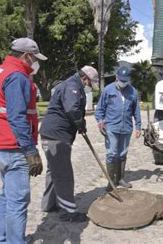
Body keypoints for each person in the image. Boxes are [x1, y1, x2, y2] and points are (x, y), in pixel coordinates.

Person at [0, 37, 45, 243]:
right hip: (14, 148)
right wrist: (30, 150)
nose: (35, 63)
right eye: (34, 59)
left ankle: (4, 240)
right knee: (18, 202)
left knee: (7, 197)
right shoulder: (17, 76)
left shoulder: (2, 71)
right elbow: (16, 116)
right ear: (26, 56)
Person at [39, 65, 99, 222]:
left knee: (54, 170)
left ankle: (49, 204)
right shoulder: (72, 86)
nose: (88, 86)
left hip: (49, 134)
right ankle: (68, 212)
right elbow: (72, 108)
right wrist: (80, 124)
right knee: (64, 174)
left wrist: (81, 124)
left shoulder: (71, 84)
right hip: (56, 136)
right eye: (89, 83)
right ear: (84, 78)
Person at [95, 66, 141, 191]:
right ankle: (111, 181)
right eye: (121, 80)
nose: (123, 83)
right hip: (111, 127)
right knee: (111, 153)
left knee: (122, 153)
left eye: (125, 81)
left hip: (126, 128)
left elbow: (136, 111)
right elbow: (99, 109)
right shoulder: (108, 90)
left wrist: (138, 127)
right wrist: (100, 121)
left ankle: (120, 178)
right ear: (116, 77)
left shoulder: (133, 92)